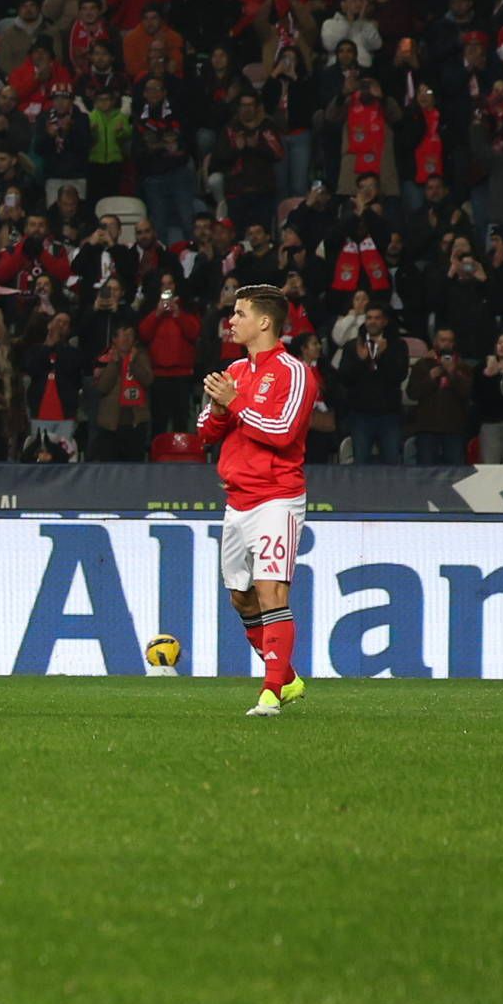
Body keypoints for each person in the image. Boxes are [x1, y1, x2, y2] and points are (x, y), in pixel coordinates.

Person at [200, 283, 318, 717]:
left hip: (277, 497)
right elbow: (204, 435)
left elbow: (283, 433)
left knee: (272, 591)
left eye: (239, 313)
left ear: (264, 322)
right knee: (241, 597)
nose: (231, 321)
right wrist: (217, 410)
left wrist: (235, 402)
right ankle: (287, 679)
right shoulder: (234, 372)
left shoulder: (295, 372)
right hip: (238, 500)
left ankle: (270, 694)